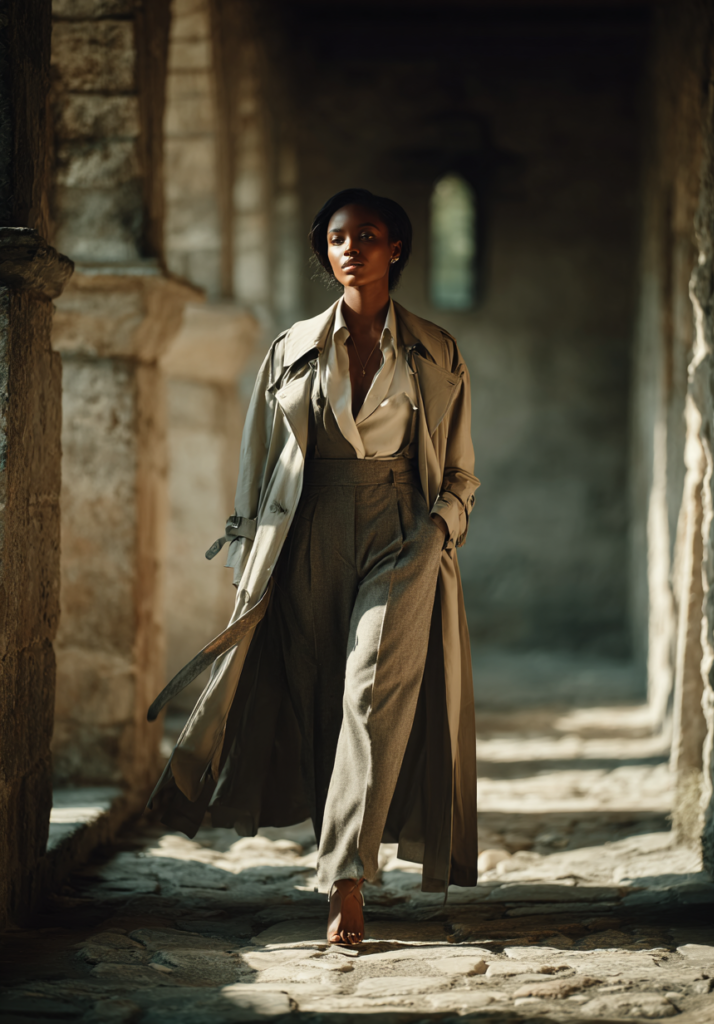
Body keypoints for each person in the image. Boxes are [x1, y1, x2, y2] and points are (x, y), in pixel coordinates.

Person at [149, 188, 480, 947]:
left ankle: (345, 882)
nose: (350, 248)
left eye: (367, 235)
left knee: (370, 690)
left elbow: (461, 472)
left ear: (395, 247)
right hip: (304, 534)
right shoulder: (290, 349)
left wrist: (437, 530)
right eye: (337, 238)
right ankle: (338, 854)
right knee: (319, 702)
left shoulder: (437, 350)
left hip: (402, 533)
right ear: (324, 252)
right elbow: (257, 468)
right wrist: (247, 563)